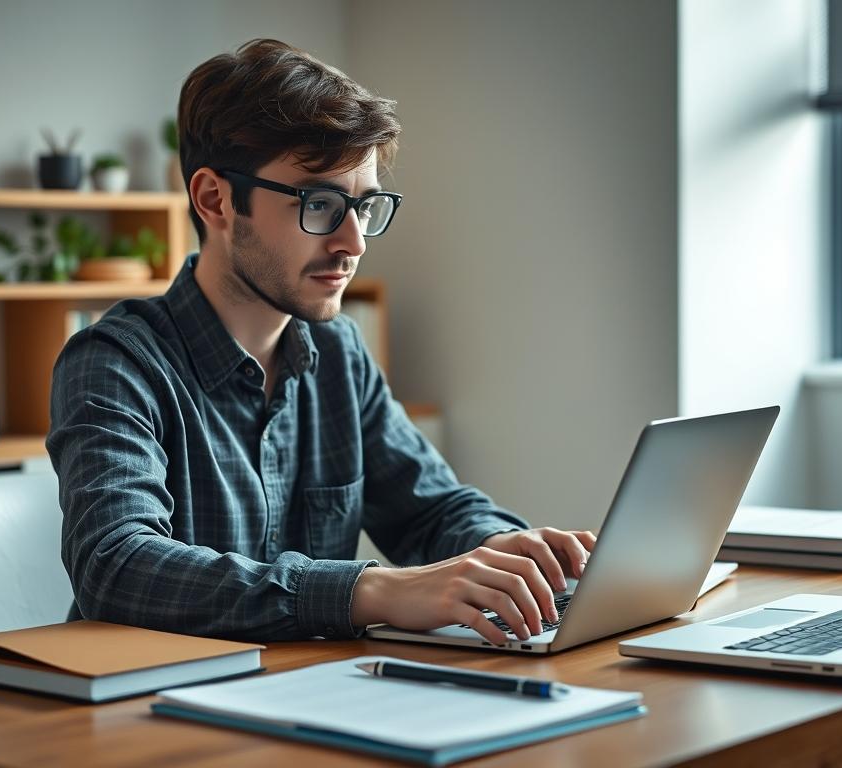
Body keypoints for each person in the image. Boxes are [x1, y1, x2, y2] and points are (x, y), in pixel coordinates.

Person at [47, 39, 595, 646]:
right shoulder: (115, 363)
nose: (353, 242)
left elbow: (431, 510)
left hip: (309, 699)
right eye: (321, 203)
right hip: (150, 716)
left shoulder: (338, 352)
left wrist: (508, 553)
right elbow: (116, 566)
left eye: (363, 206)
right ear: (216, 199)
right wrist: (374, 590)